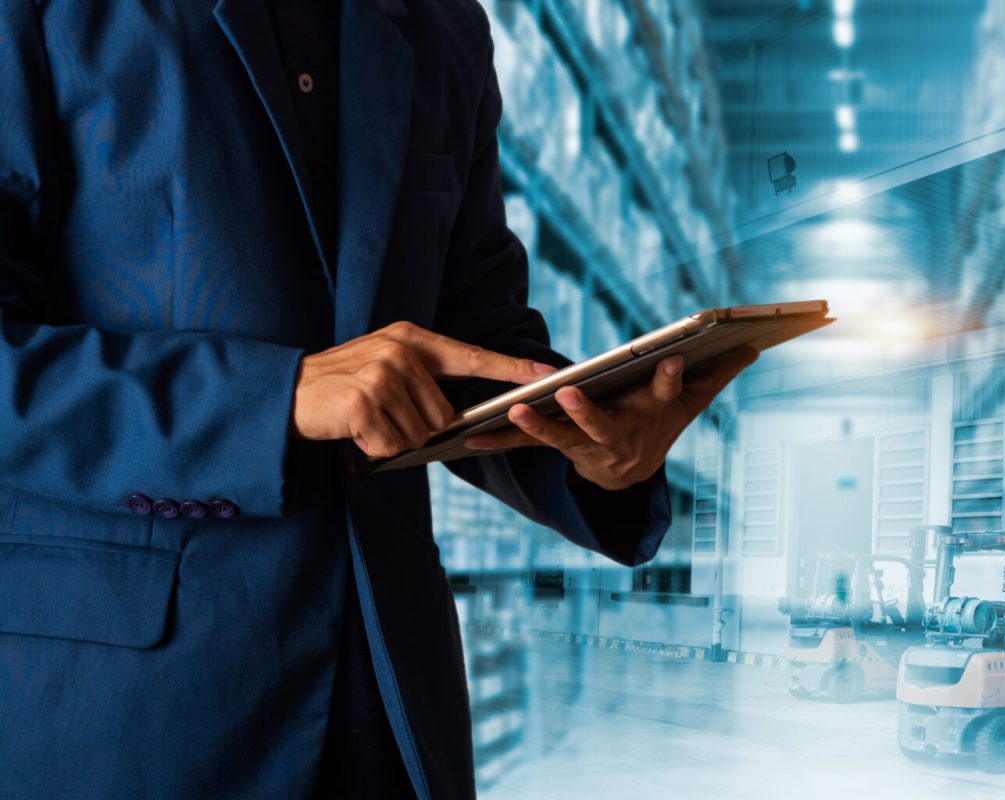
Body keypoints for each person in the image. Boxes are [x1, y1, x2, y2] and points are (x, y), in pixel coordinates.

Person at [0, 1, 752, 796]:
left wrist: (597, 446)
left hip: (390, 694)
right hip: (139, 707)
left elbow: (472, 334)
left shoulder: (447, 28)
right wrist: (274, 399)